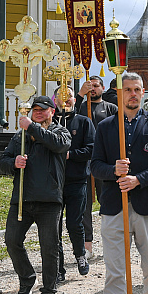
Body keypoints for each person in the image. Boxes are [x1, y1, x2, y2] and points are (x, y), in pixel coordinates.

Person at [90, 72, 148, 294]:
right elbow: (94, 166)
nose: (133, 94)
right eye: (128, 90)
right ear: (119, 92)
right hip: (115, 207)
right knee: (115, 273)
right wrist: (114, 171)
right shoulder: (105, 126)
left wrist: (138, 179)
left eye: (137, 89)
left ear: (143, 92)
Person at [0, 95, 72, 294]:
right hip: (22, 199)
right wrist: (14, 162)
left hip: (49, 200)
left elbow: (57, 145)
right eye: (35, 110)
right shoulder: (20, 136)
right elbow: (2, 161)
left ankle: (48, 292)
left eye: (43, 109)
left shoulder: (61, 132)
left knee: (49, 248)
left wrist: (32, 128)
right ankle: (27, 277)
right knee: (12, 241)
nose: (38, 113)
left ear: (52, 112)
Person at [53, 86, 95, 282]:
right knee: (54, 226)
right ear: (55, 100)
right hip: (53, 182)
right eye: (62, 96)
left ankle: (80, 255)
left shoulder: (83, 122)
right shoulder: (50, 123)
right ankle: (58, 266)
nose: (66, 99)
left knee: (74, 223)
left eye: (69, 95)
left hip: (77, 180)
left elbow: (92, 149)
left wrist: (70, 154)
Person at [75, 75, 118, 258]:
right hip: (84, 161)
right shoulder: (81, 107)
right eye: (89, 86)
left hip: (105, 162)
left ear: (102, 88)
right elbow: (69, 115)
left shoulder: (111, 108)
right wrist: (80, 95)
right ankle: (87, 246)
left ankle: (113, 244)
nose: (92, 89)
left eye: (95, 86)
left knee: (109, 201)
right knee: (84, 205)